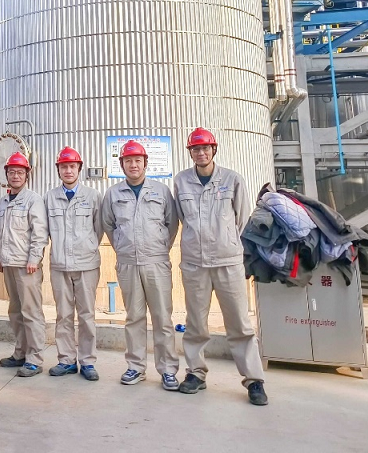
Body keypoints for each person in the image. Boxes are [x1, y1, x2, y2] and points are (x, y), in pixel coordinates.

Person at [174, 128, 269, 406]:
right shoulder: (181, 181)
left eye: (205, 148)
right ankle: (196, 373)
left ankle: (254, 380)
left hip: (228, 261)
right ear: (190, 152)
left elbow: (242, 219)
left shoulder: (232, 179)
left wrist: (225, 242)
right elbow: (182, 218)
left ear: (213, 150)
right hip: (195, 263)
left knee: (239, 322)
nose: (201, 153)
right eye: (195, 149)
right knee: (195, 323)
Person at [101, 140, 180, 390]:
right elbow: (108, 225)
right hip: (127, 263)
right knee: (134, 317)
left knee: (162, 318)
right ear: (122, 164)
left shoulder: (161, 191)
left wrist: (160, 248)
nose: (133, 165)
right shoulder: (113, 194)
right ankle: (135, 366)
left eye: (137, 160)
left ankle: (168, 370)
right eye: (128, 161)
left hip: (157, 262)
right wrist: (123, 247)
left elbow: (171, 223)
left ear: (145, 163)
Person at [44, 147, 104, 381]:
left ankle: (88, 362)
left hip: (87, 265)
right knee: (63, 315)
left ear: (79, 168)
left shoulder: (93, 196)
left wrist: (87, 246)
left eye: (72, 166)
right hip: (59, 265)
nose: (68, 170)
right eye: (64, 166)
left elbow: (99, 228)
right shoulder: (49, 198)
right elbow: (45, 230)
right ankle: (66, 360)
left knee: (87, 315)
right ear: (58, 169)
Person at [0, 152, 48, 377]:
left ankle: (34, 359)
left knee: (31, 312)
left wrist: (34, 259)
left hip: (27, 266)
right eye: (12, 172)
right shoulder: (3, 202)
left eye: (20, 172)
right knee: (15, 311)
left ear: (27, 175)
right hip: (9, 264)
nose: (16, 176)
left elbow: (40, 232)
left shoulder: (33, 200)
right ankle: (21, 353)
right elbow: (0, 233)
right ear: (6, 174)